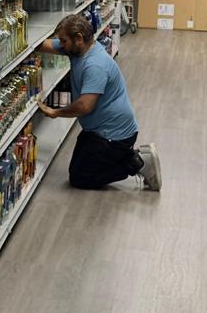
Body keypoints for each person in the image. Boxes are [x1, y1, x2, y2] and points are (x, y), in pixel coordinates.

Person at [37, 14, 161, 191]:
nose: (61, 45)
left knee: (80, 178)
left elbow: (85, 106)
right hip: (99, 129)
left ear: (78, 38)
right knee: (77, 167)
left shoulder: (95, 65)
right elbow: (44, 45)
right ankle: (125, 156)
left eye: (63, 41)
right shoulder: (78, 49)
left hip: (115, 136)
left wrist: (55, 112)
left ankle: (137, 163)